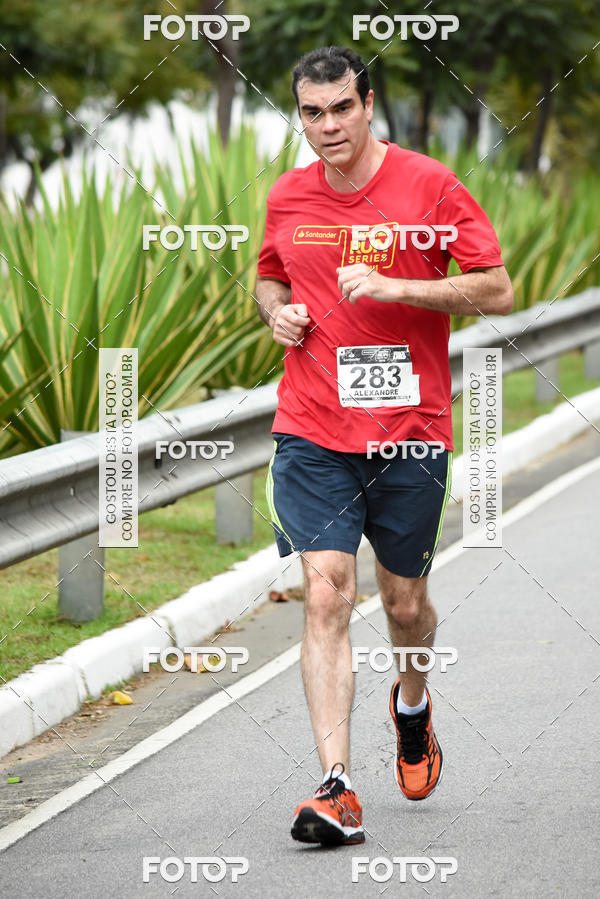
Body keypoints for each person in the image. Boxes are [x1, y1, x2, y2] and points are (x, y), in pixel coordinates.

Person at [255, 46, 513, 846]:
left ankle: (411, 703)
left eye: (340, 108)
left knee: (404, 603)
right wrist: (277, 313)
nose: (327, 126)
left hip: (408, 434)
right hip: (312, 427)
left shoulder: (428, 185)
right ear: (298, 114)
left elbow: (496, 286)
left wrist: (404, 286)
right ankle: (336, 786)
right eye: (311, 112)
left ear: (369, 104)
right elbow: (269, 276)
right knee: (328, 591)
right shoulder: (288, 195)